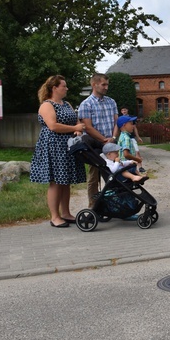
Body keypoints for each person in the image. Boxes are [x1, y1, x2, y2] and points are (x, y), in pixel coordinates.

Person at [30, 75, 87, 227]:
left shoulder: (66, 104)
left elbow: (76, 121)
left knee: (65, 181)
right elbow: (53, 126)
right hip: (53, 146)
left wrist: (78, 130)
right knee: (55, 182)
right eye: (64, 86)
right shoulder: (47, 105)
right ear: (54, 88)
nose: (66, 88)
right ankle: (55, 217)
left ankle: (66, 213)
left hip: (67, 145)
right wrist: (75, 128)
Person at [79, 73, 119, 208]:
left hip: (111, 145)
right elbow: (88, 128)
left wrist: (113, 138)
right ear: (94, 84)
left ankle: (115, 204)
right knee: (94, 176)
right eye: (103, 84)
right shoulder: (86, 104)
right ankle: (94, 205)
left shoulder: (111, 101)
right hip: (95, 146)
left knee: (114, 174)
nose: (106, 87)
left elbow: (116, 122)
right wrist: (103, 140)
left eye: (107, 84)